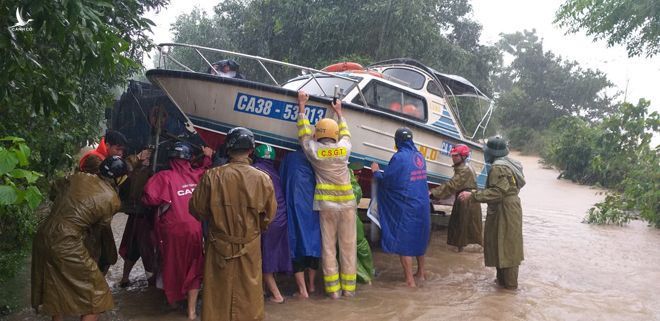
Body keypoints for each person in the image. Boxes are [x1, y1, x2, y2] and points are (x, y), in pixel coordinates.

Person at [189, 127, 277, 321]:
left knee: (217, 296)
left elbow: (197, 210)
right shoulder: (263, 179)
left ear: (227, 149)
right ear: (251, 150)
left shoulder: (212, 176)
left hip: (219, 245)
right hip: (250, 246)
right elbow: (269, 217)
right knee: (250, 295)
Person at [32, 156, 127, 321]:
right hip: (67, 241)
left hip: (43, 234)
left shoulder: (76, 177)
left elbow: (54, 190)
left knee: (55, 284)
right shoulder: (112, 199)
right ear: (120, 178)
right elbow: (100, 230)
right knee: (97, 294)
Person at [296, 90, 357, 298]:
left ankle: (334, 293)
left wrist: (302, 107)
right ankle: (349, 291)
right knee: (348, 248)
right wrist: (339, 112)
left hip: (326, 207)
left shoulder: (315, 152)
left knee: (329, 249)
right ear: (334, 135)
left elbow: (304, 135)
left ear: (318, 134)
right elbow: (347, 134)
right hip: (348, 205)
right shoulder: (344, 149)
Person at [142, 142, 212, 320]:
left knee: (172, 266)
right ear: (189, 159)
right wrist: (208, 157)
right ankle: (191, 312)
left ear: (171, 159)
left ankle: (173, 304)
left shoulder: (163, 177)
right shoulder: (197, 175)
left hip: (172, 232)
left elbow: (149, 198)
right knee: (195, 267)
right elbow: (206, 171)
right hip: (195, 230)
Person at [458, 136, 525, 290]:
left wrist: (473, 195)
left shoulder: (498, 167)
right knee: (504, 245)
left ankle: (509, 289)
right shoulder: (509, 163)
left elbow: (498, 192)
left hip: (505, 209)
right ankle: (502, 287)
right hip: (510, 207)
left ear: (492, 153)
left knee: (506, 247)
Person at [370, 127, 430, 287]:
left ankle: (410, 281)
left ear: (397, 141)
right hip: (422, 205)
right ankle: (421, 274)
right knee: (420, 238)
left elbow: (389, 180)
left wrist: (376, 172)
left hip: (408, 206)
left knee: (405, 242)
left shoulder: (399, 157)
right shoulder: (420, 156)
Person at [78, 130, 129, 274]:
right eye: (117, 149)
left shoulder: (105, 158)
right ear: (107, 145)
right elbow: (108, 180)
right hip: (89, 221)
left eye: (122, 150)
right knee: (92, 258)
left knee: (106, 256)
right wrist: (135, 160)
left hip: (98, 219)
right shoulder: (94, 160)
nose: (120, 153)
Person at [252, 144, 292, 303]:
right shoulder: (274, 171)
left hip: (269, 220)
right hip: (281, 219)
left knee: (264, 258)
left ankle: (277, 296)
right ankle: (261, 291)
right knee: (272, 255)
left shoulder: (255, 171)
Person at [280, 148, 321, 299]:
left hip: (294, 207)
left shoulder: (289, 158)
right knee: (313, 245)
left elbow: (282, 179)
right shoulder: (315, 158)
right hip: (312, 208)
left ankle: (302, 291)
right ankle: (311, 285)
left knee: (296, 247)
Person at [430, 144, 483, 252]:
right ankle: (465, 251)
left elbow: (452, 185)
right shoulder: (465, 166)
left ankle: (461, 252)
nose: (453, 158)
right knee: (465, 228)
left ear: (463, 157)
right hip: (467, 199)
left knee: (462, 228)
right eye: (453, 155)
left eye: (456, 156)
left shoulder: (463, 169)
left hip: (466, 201)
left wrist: (433, 193)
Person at [117, 149, 156, 287]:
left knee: (134, 247)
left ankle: (125, 278)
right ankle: (148, 283)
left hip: (140, 214)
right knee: (143, 249)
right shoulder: (139, 171)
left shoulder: (140, 171)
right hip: (143, 216)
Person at [349, 168, 375, 285]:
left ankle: (365, 279)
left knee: (346, 253)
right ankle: (370, 274)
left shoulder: (349, 186)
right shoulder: (357, 188)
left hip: (347, 223)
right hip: (356, 222)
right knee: (363, 249)